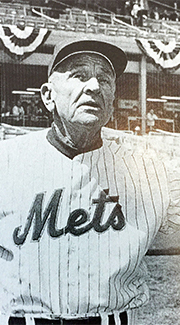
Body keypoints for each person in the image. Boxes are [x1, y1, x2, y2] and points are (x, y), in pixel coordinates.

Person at [0, 38, 180, 325]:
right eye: (79, 75)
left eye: (105, 79)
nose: (94, 86)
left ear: (111, 101)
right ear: (48, 95)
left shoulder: (150, 170)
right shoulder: (6, 161)